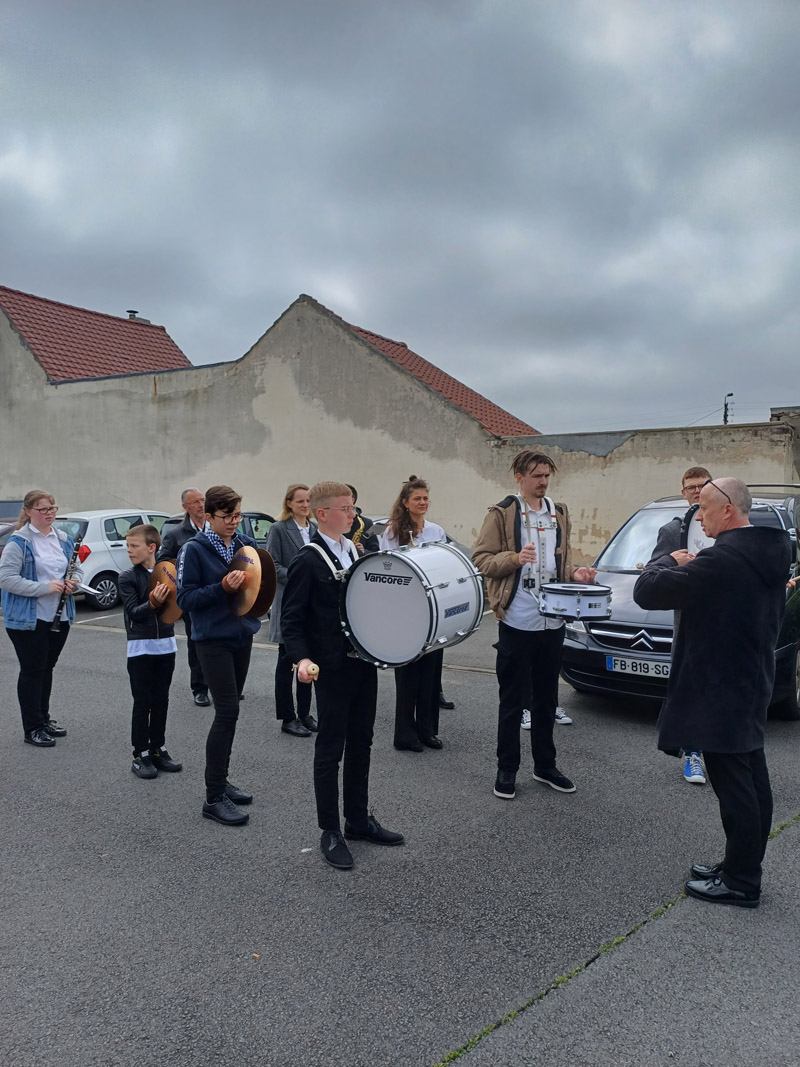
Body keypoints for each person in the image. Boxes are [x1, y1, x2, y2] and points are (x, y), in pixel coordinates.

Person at [634, 478, 791, 908]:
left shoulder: (722, 560)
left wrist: (667, 559)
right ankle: (740, 865)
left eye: (703, 508)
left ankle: (741, 882)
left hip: (722, 689)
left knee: (736, 787)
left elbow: (646, 591)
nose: (698, 517)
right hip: (751, 680)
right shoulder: (769, 550)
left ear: (728, 510)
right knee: (752, 778)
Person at [281, 481, 404, 869]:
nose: (354, 514)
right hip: (331, 668)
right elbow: (291, 620)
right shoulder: (308, 560)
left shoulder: (354, 550)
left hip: (362, 663)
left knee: (362, 741)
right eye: (346, 508)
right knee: (331, 748)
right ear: (323, 514)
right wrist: (301, 660)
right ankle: (330, 830)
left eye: (353, 507)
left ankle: (358, 820)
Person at [473, 451, 596, 800]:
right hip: (517, 620)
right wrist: (514, 558)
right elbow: (481, 559)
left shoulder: (559, 512)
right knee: (512, 701)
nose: (543, 481)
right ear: (520, 477)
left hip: (552, 621)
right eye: (536, 476)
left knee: (546, 699)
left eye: (546, 475)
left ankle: (545, 766)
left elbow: (560, 562)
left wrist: (576, 573)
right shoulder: (502, 513)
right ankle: (506, 769)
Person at [176, 485, 261, 826]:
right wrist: (223, 587)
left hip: (242, 635)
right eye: (227, 517)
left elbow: (259, 587)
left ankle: (222, 781)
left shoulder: (245, 544)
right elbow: (185, 600)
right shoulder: (193, 549)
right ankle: (213, 797)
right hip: (212, 640)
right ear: (209, 516)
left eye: (238, 515)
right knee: (226, 712)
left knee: (232, 711)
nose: (234, 522)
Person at [0, 490, 82, 746]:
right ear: (28, 512)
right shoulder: (19, 542)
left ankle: (43, 719)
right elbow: (6, 579)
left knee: (47, 668)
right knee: (33, 671)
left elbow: (77, 569)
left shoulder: (64, 539)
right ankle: (32, 728)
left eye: (52, 508)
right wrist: (44, 588)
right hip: (28, 619)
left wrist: (74, 582)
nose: (49, 513)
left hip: (59, 615)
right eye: (43, 509)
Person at [649, 465, 712, 785]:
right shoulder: (672, 531)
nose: (697, 491)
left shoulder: (726, 525)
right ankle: (693, 753)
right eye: (691, 487)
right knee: (690, 688)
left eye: (703, 485)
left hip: (727, 618)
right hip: (689, 621)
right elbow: (655, 574)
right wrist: (677, 565)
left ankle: (721, 751)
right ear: (683, 492)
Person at [380, 475, 447, 751]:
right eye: (417, 498)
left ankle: (427, 730)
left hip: (433, 610)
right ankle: (405, 735)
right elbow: (388, 569)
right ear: (406, 502)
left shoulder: (436, 531)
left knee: (430, 676)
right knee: (408, 676)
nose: (423, 502)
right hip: (405, 610)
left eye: (426, 498)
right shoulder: (391, 533)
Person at [120, 524, 182, 779]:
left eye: (134, 546)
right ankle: (140, 753)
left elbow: (178, 607)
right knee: (142, 702)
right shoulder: (127, 577)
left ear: (151, 547)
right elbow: (134, 613)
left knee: (161, 700)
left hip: (166, 645)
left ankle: (158, 748)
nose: (129, 550)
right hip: (140, 648)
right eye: (128, 546)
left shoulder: (168, 573)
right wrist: (153, 602)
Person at [266, 483, 318, 737]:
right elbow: (272, 565)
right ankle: (287, 717)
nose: (305, 505)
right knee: (287, 661)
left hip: (312, 606)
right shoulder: (278, 529)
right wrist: (300, 578)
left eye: (308, 501)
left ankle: (305, 714)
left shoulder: (315, 528)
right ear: (289, 503)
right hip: (289, 602)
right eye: (300, 501)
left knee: (307, 661)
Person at [158, 488, 210, 707]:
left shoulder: (214, 527)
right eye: (195, 502)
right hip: (193, 596)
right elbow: (163, 564)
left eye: (202, 500)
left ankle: (224, 684)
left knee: (223, 640)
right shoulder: (176, 534)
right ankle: (200, 688)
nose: (201, 505)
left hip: (217, 592)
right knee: (196, 643)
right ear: (185, 507)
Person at [345, 484, 380, 554]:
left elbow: (375, 551)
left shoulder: (367, 523)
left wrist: (363, 551)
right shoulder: (331, 523)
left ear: (352, 500)